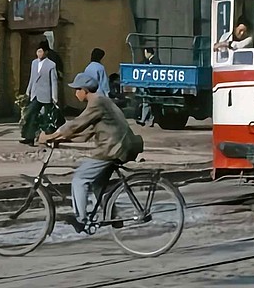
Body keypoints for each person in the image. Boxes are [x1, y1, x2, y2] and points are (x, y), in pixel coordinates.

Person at [38, 73, 144, 233]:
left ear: (85, 90)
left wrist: (50, 136)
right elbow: (87, 132)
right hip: (120, 146)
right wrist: (60, 139)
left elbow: (76, 124)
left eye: (77, 89)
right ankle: (113, 217)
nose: (75, 93)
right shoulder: (105, 102)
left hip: (112, 148)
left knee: (80, 179)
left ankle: (80, 220)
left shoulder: (97, 103)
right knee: (97, 183)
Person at [19, 43, 59, 145]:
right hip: (35, 94)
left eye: (41, 51)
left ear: (46, 52)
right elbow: (32, 79)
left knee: (47, 118)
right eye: (38, 51)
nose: (39, 53)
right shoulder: (34, 63)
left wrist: (55, 97)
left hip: (46, 95)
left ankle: (49, 139)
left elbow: (54, 81)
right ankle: (29, 138)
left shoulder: (51, 65)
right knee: (31, 115)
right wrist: (28, 92)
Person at [137, 47, 161, 126]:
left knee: (146, 101)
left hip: (152, 85)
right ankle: (149, 120)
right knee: (148, 102)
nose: (145, 55)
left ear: (149, 53)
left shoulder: (154, 60)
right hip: (149, 84)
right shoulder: (149, 60)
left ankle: (144, 120)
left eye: (145, 53)